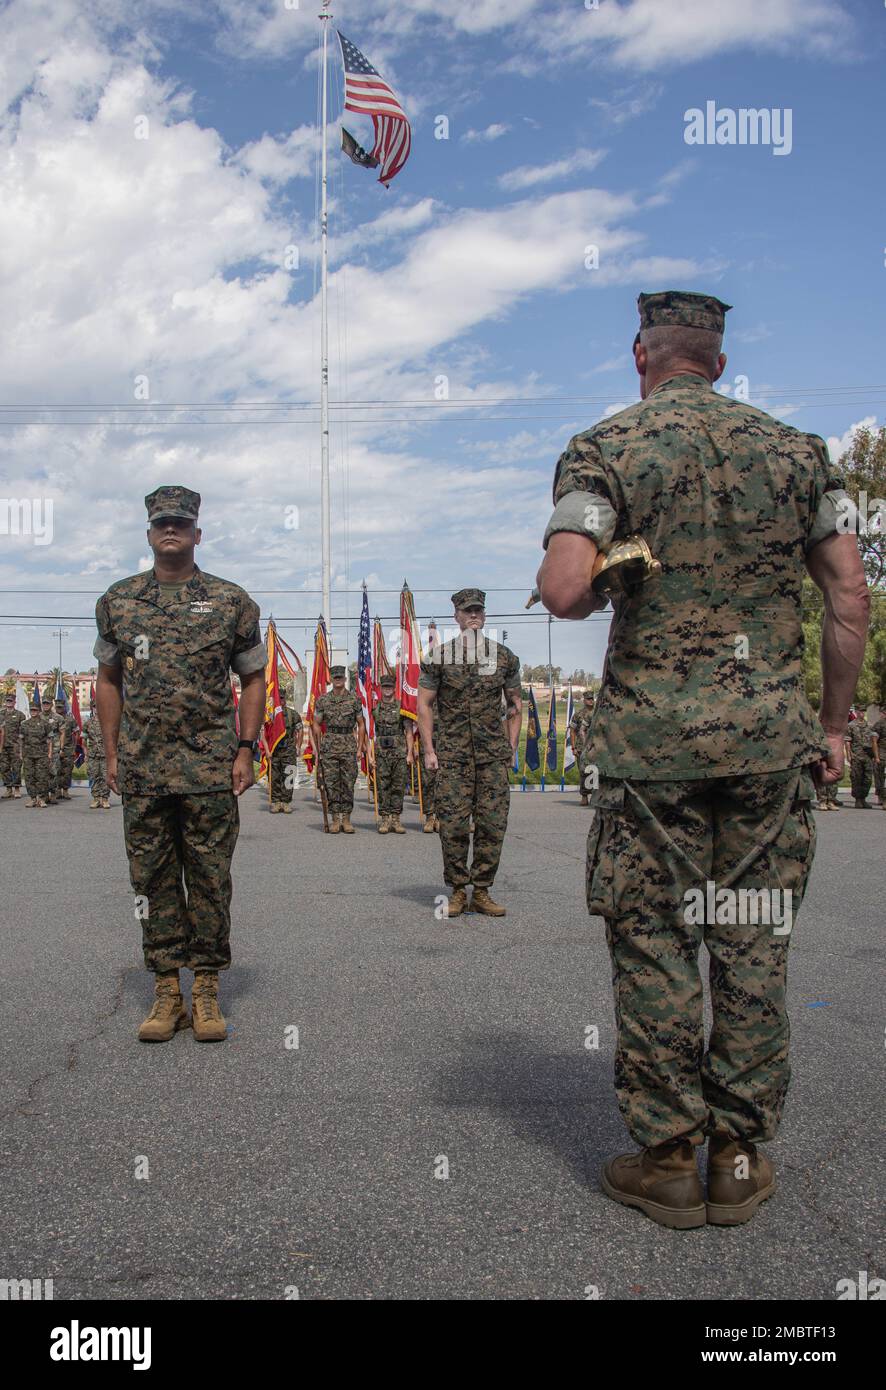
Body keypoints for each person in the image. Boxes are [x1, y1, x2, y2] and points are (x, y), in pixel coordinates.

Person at [537, 289, 869, 1229]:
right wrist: (833, 730)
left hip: (652, 753)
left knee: (655, 942)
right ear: (718, 362)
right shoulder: (800, 453)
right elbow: (849, 597)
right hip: (769, 746)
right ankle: (740, 1156)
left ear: (639, 355)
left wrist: (612, 569)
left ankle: (671, 1158)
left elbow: (564, 589)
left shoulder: (607, 448)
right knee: (753, 941)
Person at [94, 486, 266, 1044]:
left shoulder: (230, 601)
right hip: (144, 771)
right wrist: (113, 753)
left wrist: (245, 749)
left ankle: (208, 989)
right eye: (162, 523)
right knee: (151, 880)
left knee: (211, 880)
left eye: (181, 523)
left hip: (210, 769)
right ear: (148, 534)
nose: (171, 530)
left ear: (197, 533)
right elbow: (108, 681)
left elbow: (253, 679)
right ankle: (167, 990)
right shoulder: (118, 601)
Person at [417, 588, 522, 918]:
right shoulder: (439, 658)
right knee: (454, 825)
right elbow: (423, 704)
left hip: (492, 756)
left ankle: (483, 890)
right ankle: (459, 890)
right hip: (453, 755)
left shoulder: (504, 657)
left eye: (478, 609)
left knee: (493, 824)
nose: (473, 615)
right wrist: (429, 750)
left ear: (484, 615)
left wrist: (512, 747)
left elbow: (516, 705)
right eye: (467, 611)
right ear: (457, 617)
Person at [312, 666, 363, 834]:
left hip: (348, 744)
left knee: (348, 783)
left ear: (345, 679)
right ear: (332, 679)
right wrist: (318, 745)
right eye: (335, 677)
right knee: (331, 783)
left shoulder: (354, 699)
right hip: (329, 746)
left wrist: (360, 747)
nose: (338, 679)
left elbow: (361, 724)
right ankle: (335, 819)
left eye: (340, 677)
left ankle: (346, 819)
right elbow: (316, 723)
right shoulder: (323, 700)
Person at [372, 672, 414, 833]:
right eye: (385, 687)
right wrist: (371, 755)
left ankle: (396, 819)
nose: (387, 689)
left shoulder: (402, 707)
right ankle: (385, 819)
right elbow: (372, 733)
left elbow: (409, 732)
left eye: (390, 686)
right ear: (381, 689)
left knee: (398, 786)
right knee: (383, 786)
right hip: (381, 753)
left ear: (394, 688)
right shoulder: (375, 709)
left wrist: (410, 753)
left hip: (399, 752)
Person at [269, 704, 303, 814]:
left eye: (283, 698)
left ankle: (286, 801)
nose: (281, 700)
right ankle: (277, 802)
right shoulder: (271, 713)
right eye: (280, 697)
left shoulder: (292, 714)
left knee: (289, 776)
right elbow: (266, 731)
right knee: (275, 776)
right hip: (275, 749)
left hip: (289, 749)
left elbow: (300, 730)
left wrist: (298, 746)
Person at [21, 698, 53, 808]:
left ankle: (42, 798)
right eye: (32, 710)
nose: (33, 712)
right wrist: (21, 753)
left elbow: (49, 740)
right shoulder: (24, 724)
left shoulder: (45, 724)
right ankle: (33, 798)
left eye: (35, 710)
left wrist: (49, 753)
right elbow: (21, 740)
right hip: (28, 755)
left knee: (42, 777)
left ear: (39, 711)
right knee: (29, 777)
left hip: (41, 755)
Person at [570, 689, 597, 805]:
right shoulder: (578, 715)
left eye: (592, 699)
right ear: (584, 700)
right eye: (589, 699)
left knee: (594, 771)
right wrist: (573, 747)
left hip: (596, 747)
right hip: (581, 748)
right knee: (583, 771)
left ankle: (594, 796)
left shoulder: (598, 713)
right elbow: (572, 731)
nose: (591, 701)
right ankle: (584, 796)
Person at [844, 713, 875, 808]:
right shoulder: (851, 725)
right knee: (856, 777)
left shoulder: (870, 725)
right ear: (857, 712)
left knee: (868, 778)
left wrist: (874, 755)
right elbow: (848, 741)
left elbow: (873, 741)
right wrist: (849, 755)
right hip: (856, 755)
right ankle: (858, 800)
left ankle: (863, 798)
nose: (862, 713)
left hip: (867, 756)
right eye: (860, 711)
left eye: (864, 711)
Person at [83, 702, 110, 809]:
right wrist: (86, 753)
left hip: (105, 754)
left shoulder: (108, 722)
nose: (97, 709)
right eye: (95, 706)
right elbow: (84, 740)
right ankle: (96, 798)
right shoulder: (88, 723)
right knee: (94, 776)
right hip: (93, 754)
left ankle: (105, 799)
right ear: (92, 708)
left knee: (105, 776)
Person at [0, 690, 25, 798]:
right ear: (5, 702)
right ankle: (8, 789)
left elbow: (24, 731)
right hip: (3, 746)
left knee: (16, 767)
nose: (9, 702)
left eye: (11, 701)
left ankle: (17, 788)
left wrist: (21, 745)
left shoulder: (20, 715)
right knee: (4, 767)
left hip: (15, 746)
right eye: (7, 701)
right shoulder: (0, 714)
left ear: (14, 702)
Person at [54, 695, 78, 800]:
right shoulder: (52, 719)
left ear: (64, 707)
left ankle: (66, 790)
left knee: (67, 770)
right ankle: (58, 790)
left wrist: (74, 746)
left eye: (61, 707)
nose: (59, 709)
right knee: (57, 770)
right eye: (57, 707)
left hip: (68, 749)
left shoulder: (70, 719)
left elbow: (76, 732)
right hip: (55, 749)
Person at [41, 696, 62, 804]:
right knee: (42, 773)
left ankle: (53, 793)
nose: (46, 705)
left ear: (51, 705)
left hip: (54, 748)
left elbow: (63, 733)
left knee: (53, 772)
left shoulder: (58, 717)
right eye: (44, 703)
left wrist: (61, 747)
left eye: (48, 703)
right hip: (40, 750)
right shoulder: (38, 717)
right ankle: (44, 795)